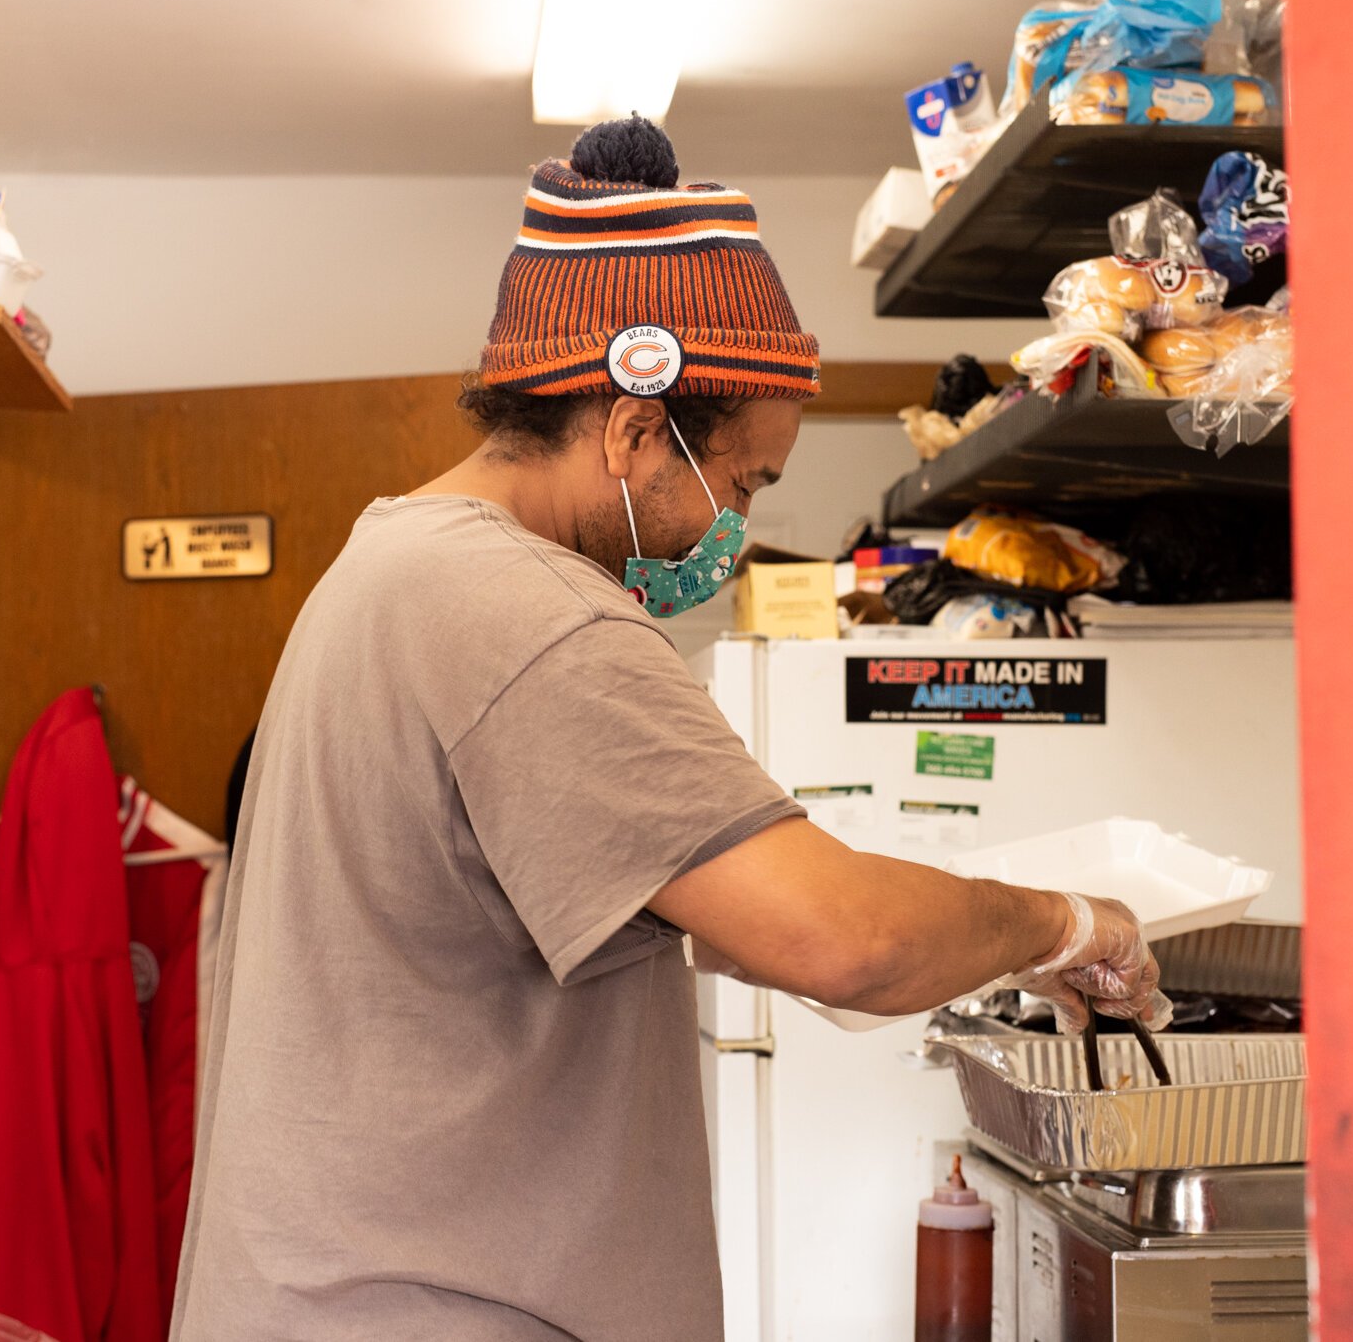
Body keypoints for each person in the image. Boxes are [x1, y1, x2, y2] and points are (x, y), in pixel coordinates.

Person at [170, 116, 1171, 1342]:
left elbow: (702, 927)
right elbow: (840, 941)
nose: (734, 528)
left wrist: (951, 937)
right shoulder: (529, 615)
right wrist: (1066, 922)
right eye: (744, 484)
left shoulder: (394, 564)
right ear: (634, 427)